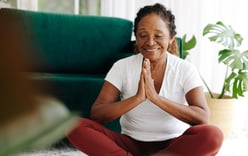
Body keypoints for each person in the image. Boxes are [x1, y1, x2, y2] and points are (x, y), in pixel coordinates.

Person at [67, 3, 223, 156]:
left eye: (158, 36)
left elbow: (202, 117)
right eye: (143, 35)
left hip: (173, 145)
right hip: (130, 143)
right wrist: (138, 98)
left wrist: (155, 98)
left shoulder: (185, 69)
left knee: (213, 135)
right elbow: (98, 113)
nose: (150, 42)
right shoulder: (122, 67)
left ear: (171, 38)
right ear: (136, 38)